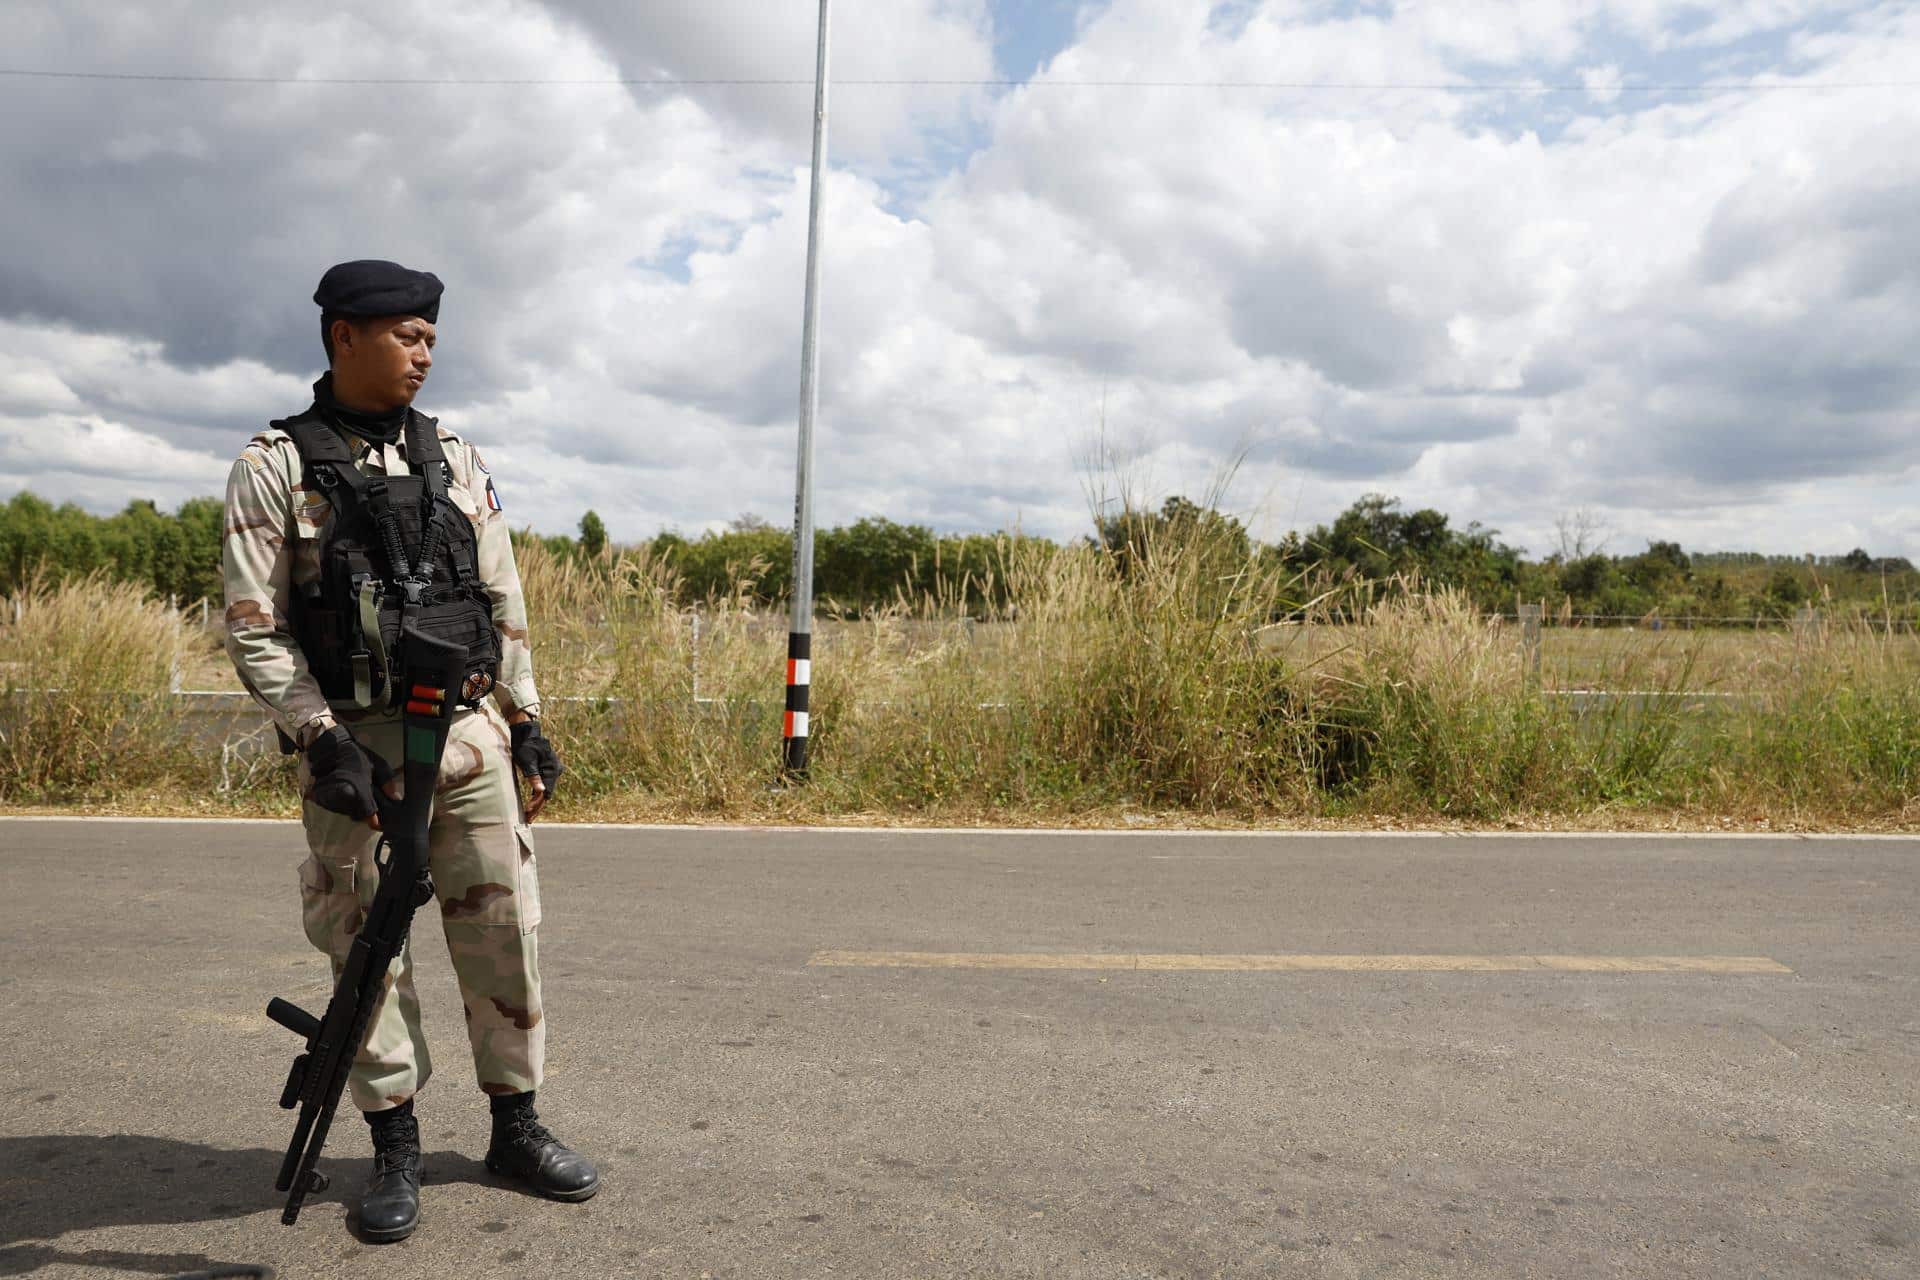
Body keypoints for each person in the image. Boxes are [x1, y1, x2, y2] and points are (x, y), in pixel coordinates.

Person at [222, 259, 598, 1242]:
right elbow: (255, 626)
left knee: (500, 927)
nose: (424, 352)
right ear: (344, 336)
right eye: (404, 335)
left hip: (466, 736)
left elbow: (502, 598)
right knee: (366, 946)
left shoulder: (457, 458)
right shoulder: (275, 464)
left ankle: (515, 1124)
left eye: (431, 337)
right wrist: (321, 736)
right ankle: (394, 1143)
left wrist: (527, 720)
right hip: (358, 743)